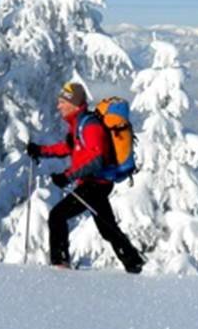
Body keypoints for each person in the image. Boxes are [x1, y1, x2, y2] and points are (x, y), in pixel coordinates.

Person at [27, 82, 144, 273]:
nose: (58, 106)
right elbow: (66, 148)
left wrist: (68, 176)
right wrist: (40, 151)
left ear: (74, 103)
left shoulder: (90, 126)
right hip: (95, 184)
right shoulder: (78, 125)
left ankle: (60, 265)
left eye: (62, 102)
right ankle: (133, 263)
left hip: (96, 184)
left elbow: (95, 160)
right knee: (107, 227)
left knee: (57, 216)